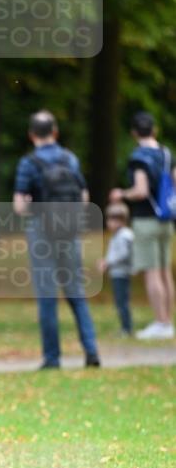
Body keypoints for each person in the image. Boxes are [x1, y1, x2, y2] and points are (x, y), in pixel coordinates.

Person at [13, 110, 101, 369]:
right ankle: (91, 350)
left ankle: (52, 358)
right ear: (55, 132)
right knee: (76, 292)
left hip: (41, 231)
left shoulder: (29, 164)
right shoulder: (70, 159)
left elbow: (19, 206)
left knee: (47, 295)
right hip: (69, 231)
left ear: (31, 135)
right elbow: (84, 198)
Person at [109, 111, 175, 340]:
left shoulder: (139, 157)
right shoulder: (166, 153)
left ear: (134, 132)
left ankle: (160, 322)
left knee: (152, 272)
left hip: (146, 219)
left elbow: (141, 190)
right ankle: (168, 321)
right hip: (166, 218)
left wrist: (122, 194)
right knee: (166, 271)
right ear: (154, 130)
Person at [99, 202, 134, 337]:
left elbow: (123, 254)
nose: (109, 223)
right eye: (108, 219)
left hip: (121, 273)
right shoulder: (118, 235)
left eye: (113, 220)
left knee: (122, 302)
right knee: (120, 302)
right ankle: (125, 327)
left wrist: (108, 262)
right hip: (117, 273)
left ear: (122, 220)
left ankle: (127, 328)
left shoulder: (124, 235)